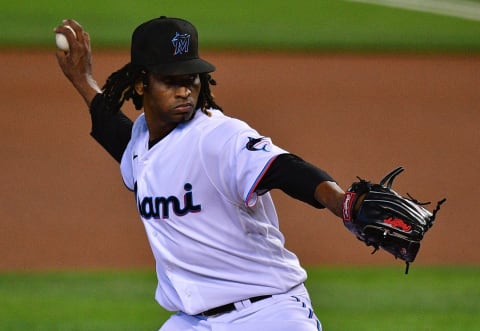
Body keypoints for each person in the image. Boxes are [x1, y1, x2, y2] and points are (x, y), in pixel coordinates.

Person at [55, 16, 346, 331]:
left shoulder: (218, 135)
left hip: (268, 314)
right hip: (192, 322)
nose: (184, 91)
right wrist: (83, 81)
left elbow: (286, 169)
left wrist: (343, 202)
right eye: (170, 80)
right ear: (141, 82)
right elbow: (121, 138)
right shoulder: (141, 145)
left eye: (190, 78)